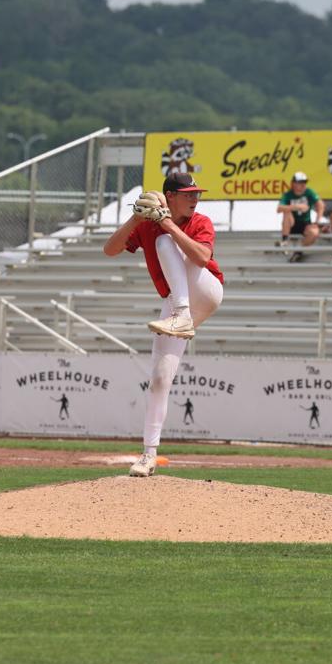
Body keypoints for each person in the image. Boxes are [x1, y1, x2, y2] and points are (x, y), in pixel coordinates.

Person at [103, 172, 224, 478]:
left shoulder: (200, 222)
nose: (195, 199)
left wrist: (166, 223)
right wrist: (135, 219)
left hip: (206, 291)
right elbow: (110, 249)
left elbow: (201, 258)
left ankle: (182, 314)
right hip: (175, 301)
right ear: (170, 196)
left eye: (197, 193)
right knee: (159, 378)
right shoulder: (146, 224)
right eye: (188, 194)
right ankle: (148, 455)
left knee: (164, 241)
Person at [276, 171, 323, 261]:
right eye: (300, 183)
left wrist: (317, 222)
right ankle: (284, 240)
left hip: (305, 223)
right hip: (292, 224)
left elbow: (320, 205)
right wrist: (296, 207)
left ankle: (299, 250)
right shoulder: (288, 194)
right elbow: (279, 209)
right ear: (293, 183)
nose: (303, 185)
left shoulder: (309, 192)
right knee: (286, 211)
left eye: (304, 182)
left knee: (314, 233)